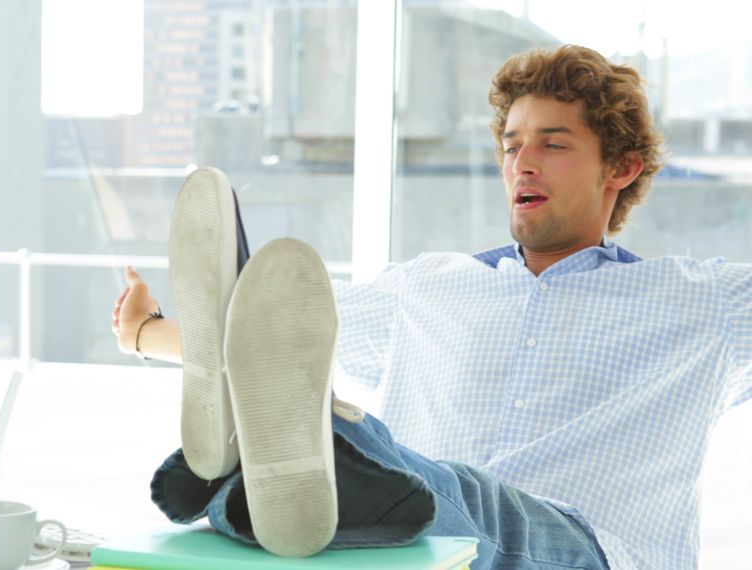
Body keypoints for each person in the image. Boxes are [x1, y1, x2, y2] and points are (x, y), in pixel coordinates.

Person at [111, 45, 752, 569]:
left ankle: (251, 479)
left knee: (411, 475)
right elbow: (277, 337)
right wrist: (145, 331)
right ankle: (265, 474)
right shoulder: (428, 285)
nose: (522, 163)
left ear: (621, 167)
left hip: (583, 549)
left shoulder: (704, 302)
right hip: (417, 542)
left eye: (553, 145)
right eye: (510, 144)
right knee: (345, 432)